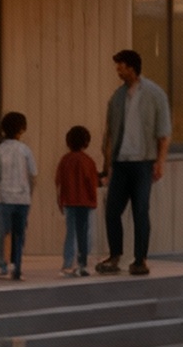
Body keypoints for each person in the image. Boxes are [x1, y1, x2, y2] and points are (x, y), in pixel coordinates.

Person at [97, 48, 170, 276]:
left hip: (143, 161)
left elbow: (164, 132)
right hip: (121, 162)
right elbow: (109, 133)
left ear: (131, 67)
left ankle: (140, 259)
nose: (118, 71)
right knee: (112, 211)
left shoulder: (155, 94)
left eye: (121, 67)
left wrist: (160, 161)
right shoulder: (117, 98)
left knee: (140, 210)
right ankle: (115, 255)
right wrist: (107, 165)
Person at [0, 110, 37, 281]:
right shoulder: (25, 150)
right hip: (22, 199)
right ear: (22, 129)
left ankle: (1, 265)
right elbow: (33, 175)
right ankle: (17, 266)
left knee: (1, 233)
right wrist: (30, 192)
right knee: (19, 233)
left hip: (4, 198)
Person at [56, 125, 100, 277]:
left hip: (69, 202)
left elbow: (59, 182)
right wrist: (94, 200)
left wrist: (60, 201)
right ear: (86, 142)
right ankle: (82, 264)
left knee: (70, 233)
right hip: (85, 203)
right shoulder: (88, 161)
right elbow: (91, 182)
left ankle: (67, 263)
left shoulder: (64, 160)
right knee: (84, 234)